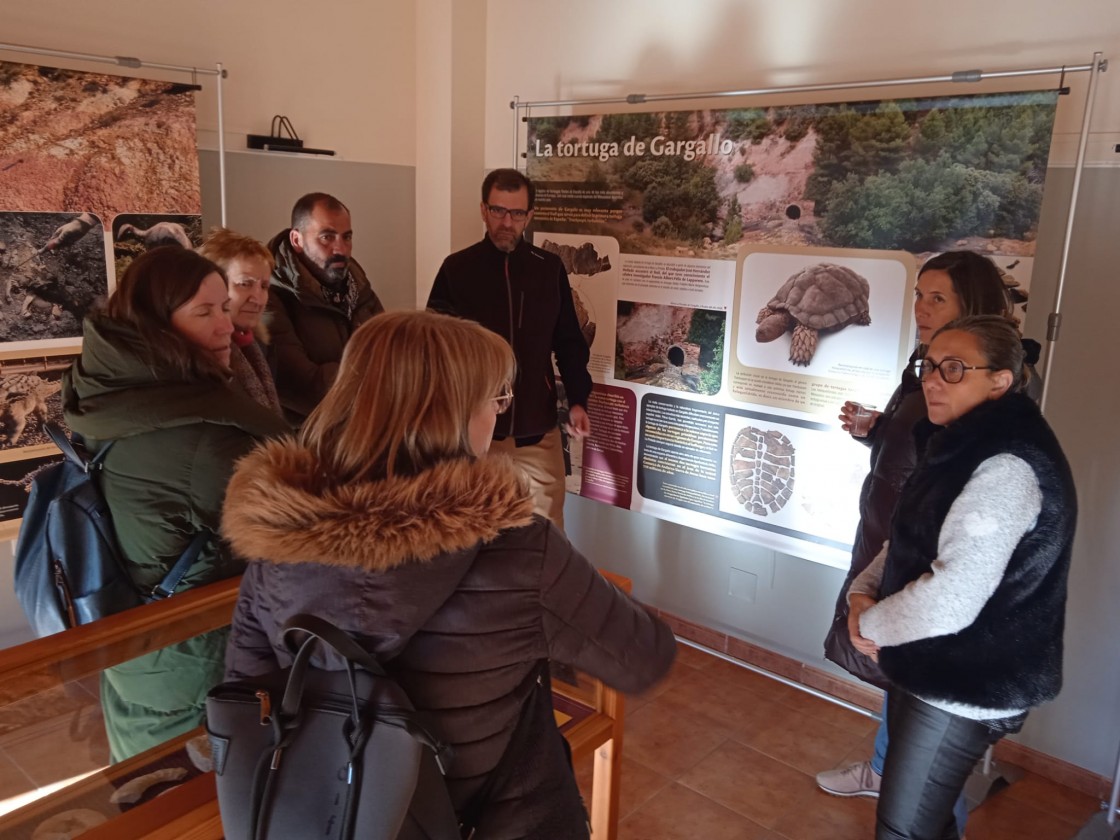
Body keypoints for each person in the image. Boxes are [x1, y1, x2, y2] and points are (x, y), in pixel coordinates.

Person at [222, 310, 675, 839]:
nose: (499, 417)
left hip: (338, 814)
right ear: (449, 413)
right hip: (501, 819)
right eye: (494, 400)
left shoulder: (275, 542)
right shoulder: (521, 550)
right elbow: (644, 656)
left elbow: (246, 692)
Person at [818, 251, 1025, 832]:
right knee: (901, 685)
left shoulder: (984, 400)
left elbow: (953, 489)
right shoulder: (931, 367)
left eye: (939, 298)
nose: (922, 308)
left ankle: (912, 792)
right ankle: (888, 769)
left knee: (929, 737)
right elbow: (923, 450)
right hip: (893, 542)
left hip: (920, 564)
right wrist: (878, 430)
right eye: (919, 295)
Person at [848, 314, 1076, 840]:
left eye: (954, 369)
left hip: (966, 681)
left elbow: (950, 598)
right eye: (928, 365)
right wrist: (864, 592)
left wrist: (871, 625)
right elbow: (913, 535)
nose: (931, 379)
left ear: (1000, 380)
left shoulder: (1008, 466)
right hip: (935, 663)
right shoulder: (959, 444)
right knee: (925, 823)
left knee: (905, 830)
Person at [62, 246, 289, 761]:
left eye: (223, 308)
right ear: (156, 326)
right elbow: (301, 530)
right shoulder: (204, 436)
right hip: (197, 666)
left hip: (133, 646)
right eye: (204, 312)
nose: (226, 327)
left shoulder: (113, 392)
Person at [427, 168, 592, 530]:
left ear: (529, 216)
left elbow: (568, 341)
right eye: (499, 211)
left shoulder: (548, 270)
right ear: (483, 210)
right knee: (474, 537)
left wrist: (578, 399)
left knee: (548, 538)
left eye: (517, 213)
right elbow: (435, 352)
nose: (507, 222)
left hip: (537, 434)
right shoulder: (457, 270)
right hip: (473, 438)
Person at [266, 192, 383, 423]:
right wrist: (376, 379)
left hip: (364, 426)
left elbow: (394, 354)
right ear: (297, 241)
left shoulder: (358, 286)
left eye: (347, 237)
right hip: (306, 438)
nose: (340, 249)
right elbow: (303, 387)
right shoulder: (269, 294)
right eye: (327, 237)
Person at [198, 228, 282, 414]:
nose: (258, 299)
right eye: (245, 284)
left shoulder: (259, 347)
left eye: (264, 286)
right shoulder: (200, 356)